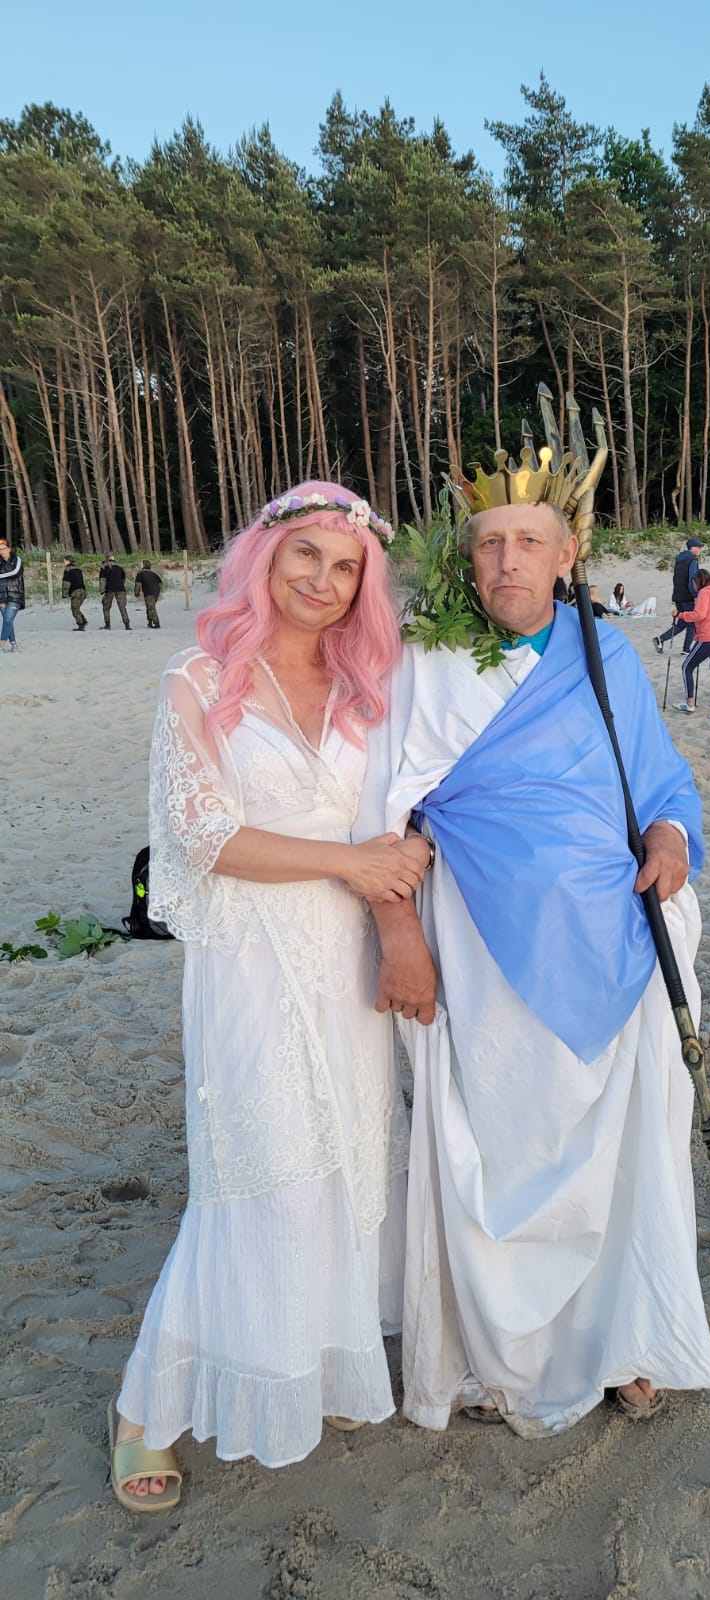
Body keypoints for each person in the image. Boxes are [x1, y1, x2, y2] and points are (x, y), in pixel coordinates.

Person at [355, 470, 710, 1437]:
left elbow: (662, 783)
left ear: (568, 556)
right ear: (467, 560)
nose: (508, 560)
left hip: (615, 939)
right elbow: (381, 813)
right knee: (500, 1149)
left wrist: (670, 839)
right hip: (479, 949)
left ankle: (621, 1341)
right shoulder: (428, 664)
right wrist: (400, 936)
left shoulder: (607, 653)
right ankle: (503, 1356)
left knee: (622, 1152)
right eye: (490, 542)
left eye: (529, 542)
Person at [108, 482, 430, 1512]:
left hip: (348, 956)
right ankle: (145, 1409)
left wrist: (392, 888)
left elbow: (404, 810)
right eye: (306, 557)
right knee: (260, 1170)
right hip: (251, 960)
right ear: (264, 557)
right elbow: (203, 836)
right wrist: (353, 863)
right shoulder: (199, 677)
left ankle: (328, 1360)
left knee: (350, 1159)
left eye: (346, 568)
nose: (323, 582)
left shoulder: (369, 681)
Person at [673, 569, 710, 723]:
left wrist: (680, 615)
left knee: (687, 667)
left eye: (694, 583)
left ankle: (690, 704)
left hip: (708, 639)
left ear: (698, 582)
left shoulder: (704, 593)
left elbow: (699, 615)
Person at [653, 536, 702, 654]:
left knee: (682, 623)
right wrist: (695, 595)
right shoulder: (693, 560)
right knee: (691, 623)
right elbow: (692, 580)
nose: (700, 549)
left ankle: (661, 639)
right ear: (694, 548)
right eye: (699, 547)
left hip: (678, 595)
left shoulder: (680, 558)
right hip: (687, 596)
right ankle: (686, 649)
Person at [0, 536, 25, 651]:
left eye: (4, 548)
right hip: (1, 596)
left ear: (9, 549)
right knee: (7, 620)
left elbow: (15, 572)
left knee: (8, 618)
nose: (2, 551)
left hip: (15, 595)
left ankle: (2, 642)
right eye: (0, 549)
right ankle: (13, 644)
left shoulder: (17, 560)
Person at [99, 556, 131, 630]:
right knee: (122, 607)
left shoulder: (103, 567)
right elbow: (123, 578)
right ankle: (127, 625)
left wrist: (102, 591)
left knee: (106, 608)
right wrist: (121, 585)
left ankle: (107, 625)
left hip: (109, 589)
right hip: (120, 589)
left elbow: (102, 580)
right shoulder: (120, 567)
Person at [134, 560, 163, 628]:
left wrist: (136, 593)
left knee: (151, 608)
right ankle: (150, 622)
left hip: (148, 592)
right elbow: (160, 583)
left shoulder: (140, 573)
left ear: (143, 565)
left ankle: (156, 623)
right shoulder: (154, 574)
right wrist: (157, 591)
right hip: (156, 592)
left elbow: (138, 584)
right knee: (149, 607)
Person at [61, 558, 88, 631]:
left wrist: (64, 594)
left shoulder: (67, 570)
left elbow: (66, 583)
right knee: (77, 608)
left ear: (68, 561)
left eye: (64, 561)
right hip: (82, 590)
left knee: (74, 609)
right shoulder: (78, 569)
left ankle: (81, 625)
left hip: (75, 591)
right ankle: (83, 621)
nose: (64, 562)